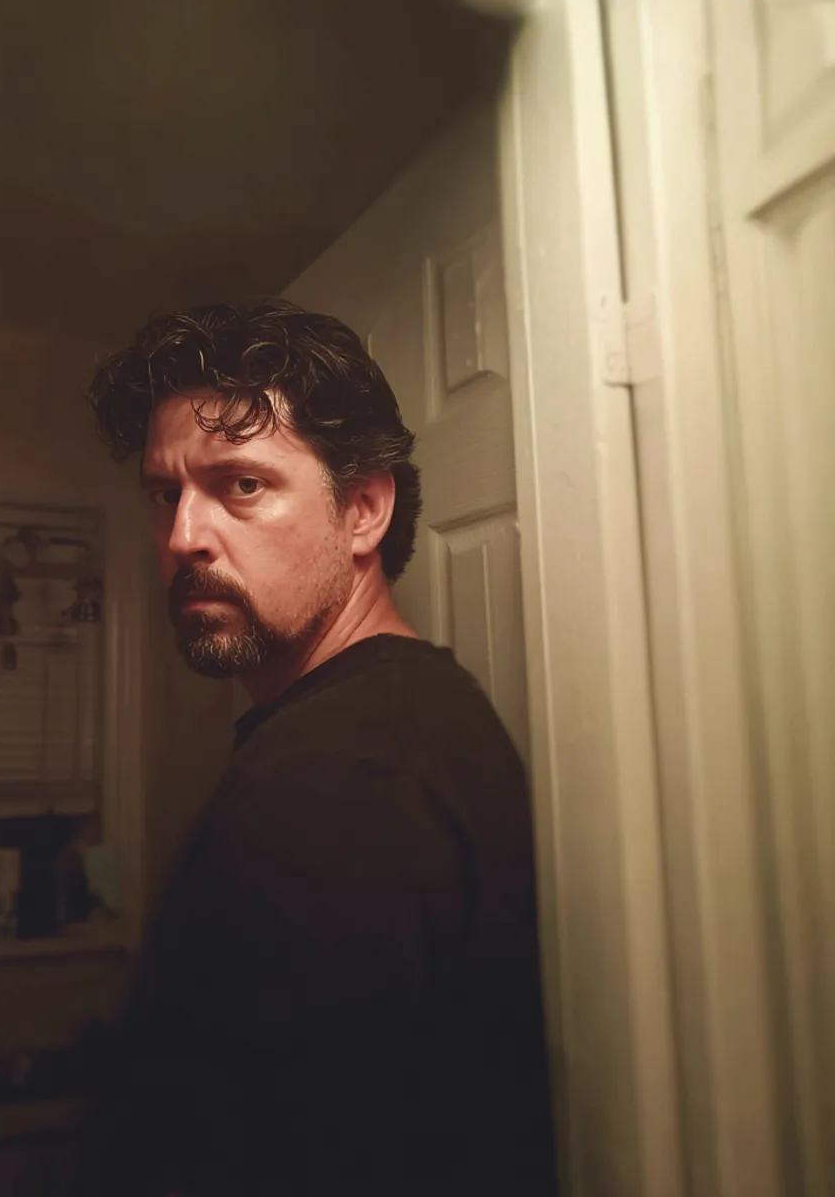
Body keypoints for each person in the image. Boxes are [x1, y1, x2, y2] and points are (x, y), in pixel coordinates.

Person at [75, 299, 558, 1197]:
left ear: (363, 509)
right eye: (166, 494)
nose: (182, 537)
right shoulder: (389, 723)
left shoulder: (342, 787)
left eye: (241, 485)